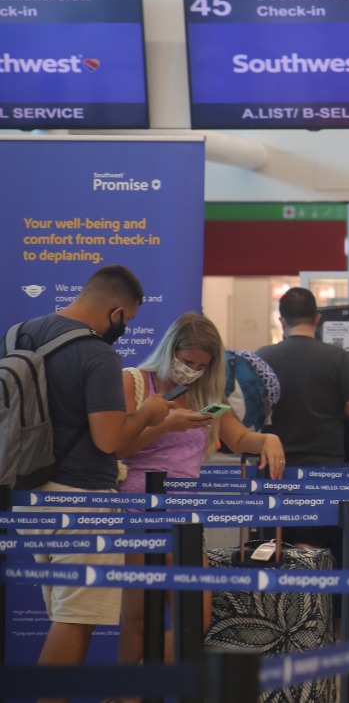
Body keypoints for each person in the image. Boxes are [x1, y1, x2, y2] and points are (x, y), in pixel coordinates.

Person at [10, 265, 207, 691]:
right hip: (80, 498)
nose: (126, 327)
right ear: (117, 311)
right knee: (75, 621)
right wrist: (151, 414)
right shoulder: (97, 353)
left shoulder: (20, 334)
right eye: (129, 320)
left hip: (28, 492)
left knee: (64, 614)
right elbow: (109, 439)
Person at [116, 312, 286, 667]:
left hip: (186, 523)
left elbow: (239, 438)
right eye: (186, 361)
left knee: (196, 620)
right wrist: (165, 426)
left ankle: (141, 684)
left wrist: (268, 438)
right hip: (135, 513)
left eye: (201, 365)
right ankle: (128, 695)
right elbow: (118, 446)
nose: (191, 370)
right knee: (137, 618)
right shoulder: (133, 382)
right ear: (169, 350)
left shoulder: (206, 394)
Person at [257, 287, 349, 554]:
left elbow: (253, 411)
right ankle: (308, 596)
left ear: (281, 321)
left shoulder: (262, 357)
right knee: (311, 548)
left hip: (274, 470)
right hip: (323, 470)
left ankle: (277, 596)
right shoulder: (337, 357)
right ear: (317, 319)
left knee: (273, 547)